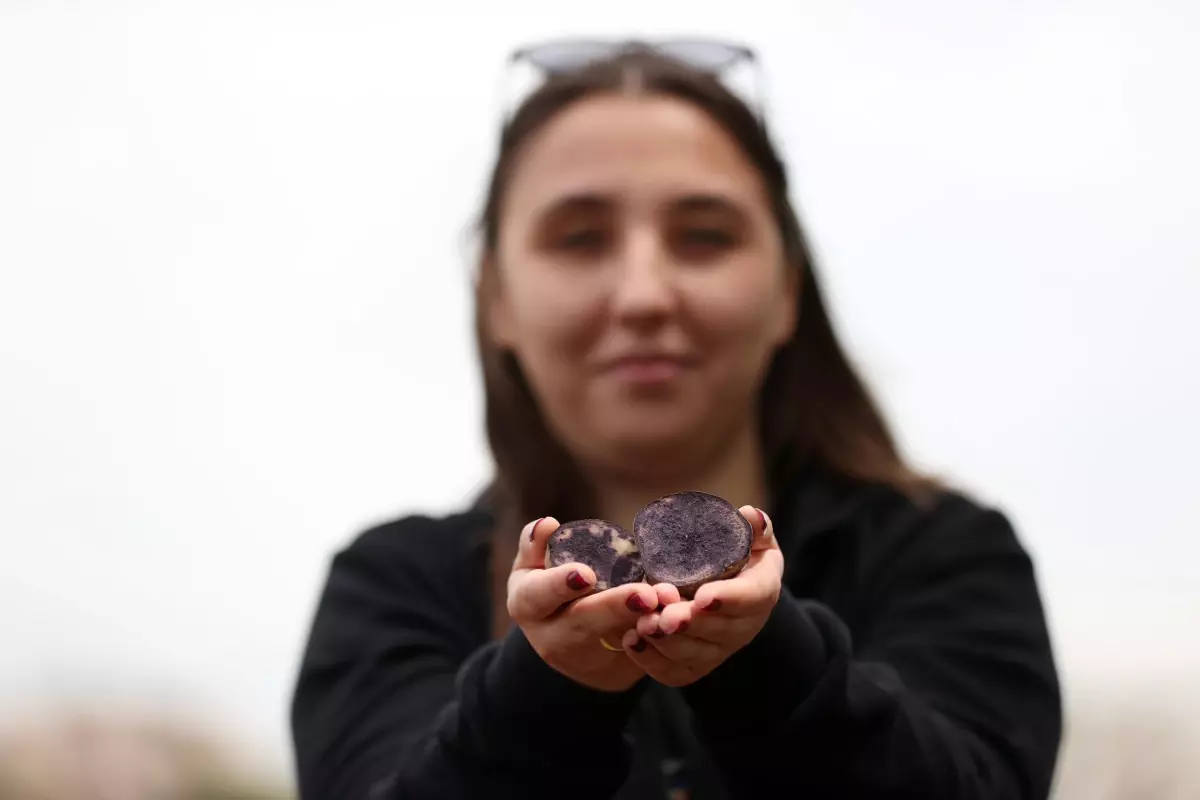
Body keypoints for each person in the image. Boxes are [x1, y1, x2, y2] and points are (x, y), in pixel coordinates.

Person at [290, 39, 1062, 800]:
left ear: (786, 288)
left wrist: (770, 659)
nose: (644, 295)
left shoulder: (944, 555)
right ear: (497, 299)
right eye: (581, 238)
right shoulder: (396, 586)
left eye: (704, 236)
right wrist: (546, 688)